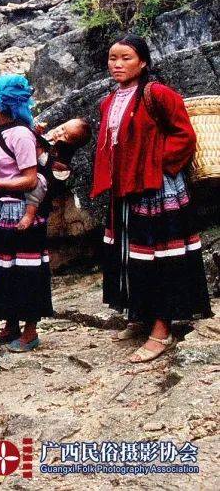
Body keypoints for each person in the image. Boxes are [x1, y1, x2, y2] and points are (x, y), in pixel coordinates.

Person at [92, 35, 212, 363]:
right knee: (131, 256)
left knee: (161, 258)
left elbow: (183, 136)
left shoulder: (157, 94)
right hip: (126, 191)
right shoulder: (109, 100)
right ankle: (141, 316)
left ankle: (162, 329)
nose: (117, 64)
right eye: (113, 58)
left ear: (143, 62)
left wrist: (153, 165)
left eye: (126, 58)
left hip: (156, 189)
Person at [0, 74, 50, 353]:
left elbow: (30, 179)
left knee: (26, 269)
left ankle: (30, 331)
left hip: (21, 209)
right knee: (4, 267)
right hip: (1, 209)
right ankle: (10, 324)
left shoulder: (21, 135)